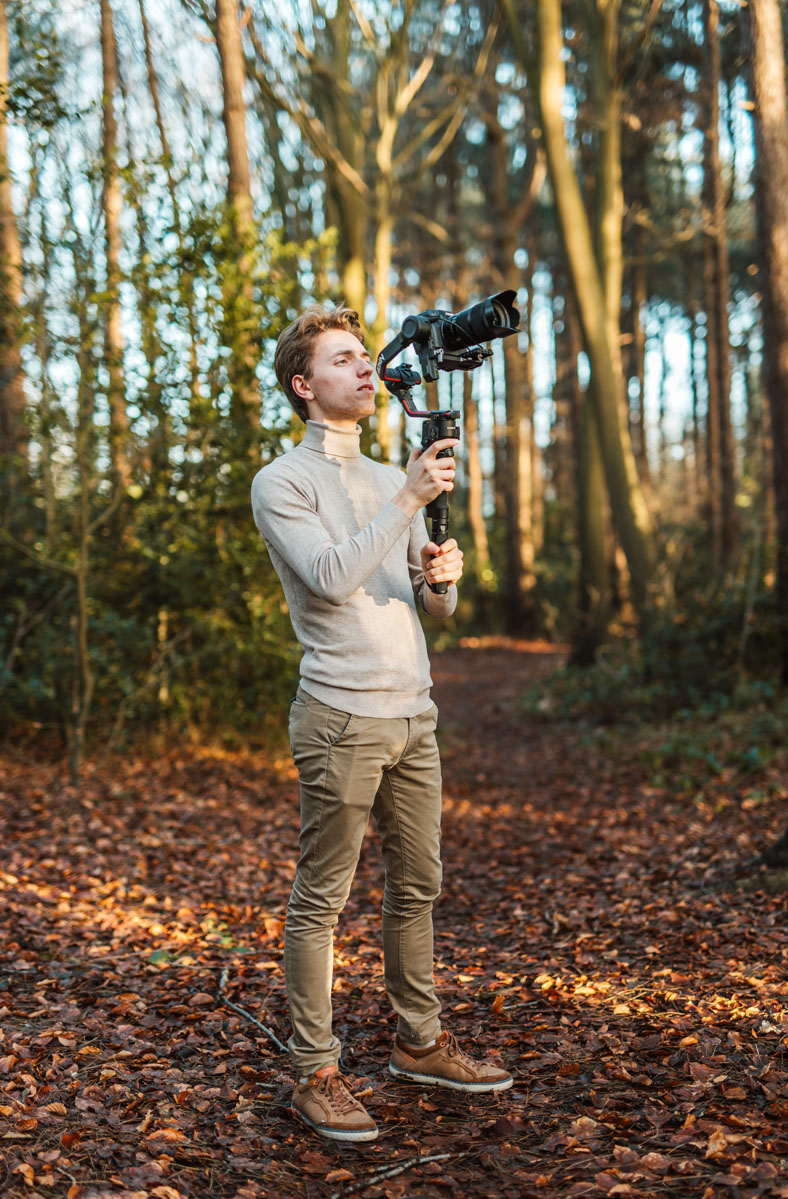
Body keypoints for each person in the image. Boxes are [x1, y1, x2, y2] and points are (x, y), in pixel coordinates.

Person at [251, 303, 512, 1143]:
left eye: (367, 357)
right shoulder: (283, 481)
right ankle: (315, 1069)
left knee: (419, 886)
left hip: (414, 713)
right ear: (304, 384)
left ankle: (419, 1042)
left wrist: (442, 577)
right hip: (341, 713)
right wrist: (407, 494)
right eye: (342, 360)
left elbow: (427, 607)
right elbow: (330, 577)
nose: (366, 369)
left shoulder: (380, 476)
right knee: (322, 897)